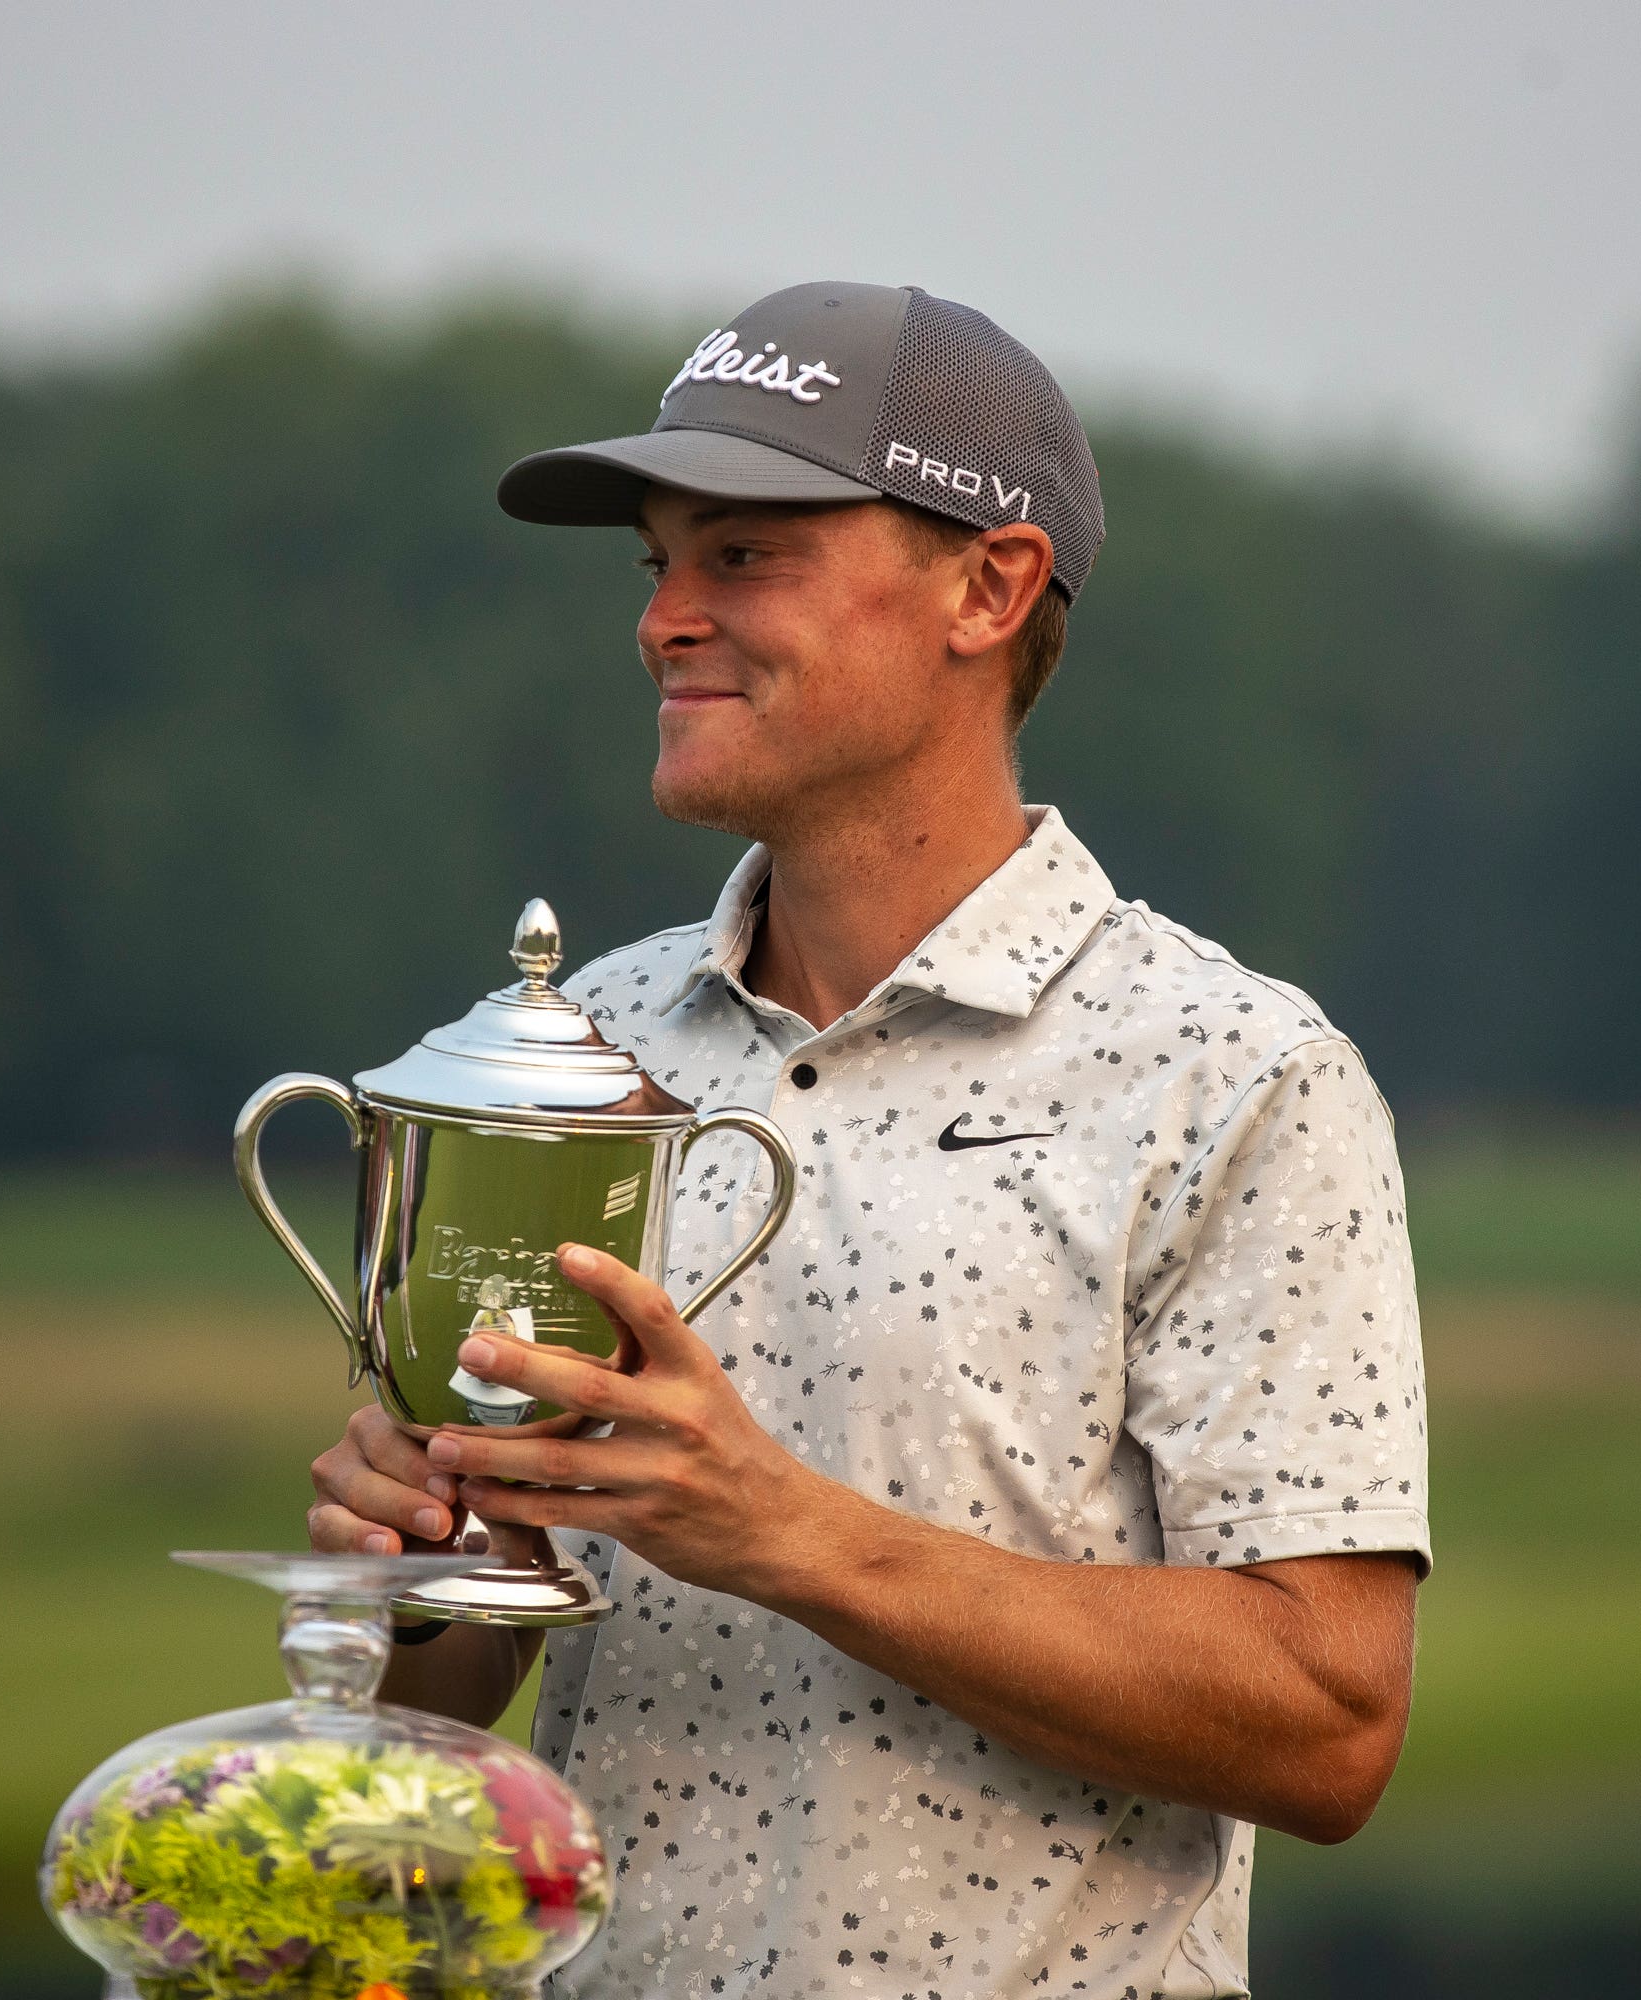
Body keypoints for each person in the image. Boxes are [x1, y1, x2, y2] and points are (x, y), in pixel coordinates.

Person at [306, 281, 1429, 2000]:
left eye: (743, 556)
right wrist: (445, 1577)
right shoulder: (580, 1048)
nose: (664, 619)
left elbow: (1329, 1719)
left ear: (992, 585)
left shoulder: (1235, 1075)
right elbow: (433, 1720)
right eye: (656, 565)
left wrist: (786, 1530)